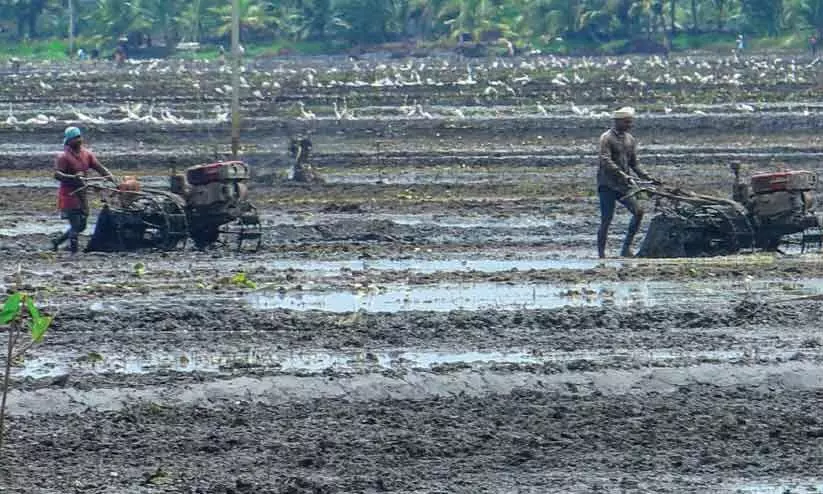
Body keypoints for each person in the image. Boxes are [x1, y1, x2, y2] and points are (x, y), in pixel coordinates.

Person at [596, 107, 661, 258]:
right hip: (607, 185)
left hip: (624, 185)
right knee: (606, 219)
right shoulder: (606, 138)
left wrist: (648, 177)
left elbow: (634, 164)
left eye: (630, 122)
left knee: (639, 211)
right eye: (627, 122)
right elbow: (605, 160)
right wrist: (623, 175)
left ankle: (626, 248)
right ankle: (601, 254)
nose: (630, 125)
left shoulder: (630, 139)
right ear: (617, 121)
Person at [52, 127, 117, 253]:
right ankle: (74, 252)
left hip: (82, 193)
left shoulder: (87, 154)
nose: (79, 140)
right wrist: (73, 177)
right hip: (69, 194)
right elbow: (57, 175)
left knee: (82, 225)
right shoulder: (63, 157)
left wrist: (110, 177)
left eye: (79, 137)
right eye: (75, 138)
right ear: (68, 141)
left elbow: (99, 167)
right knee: (75, 225)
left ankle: (57, 241)